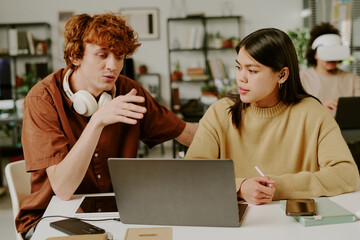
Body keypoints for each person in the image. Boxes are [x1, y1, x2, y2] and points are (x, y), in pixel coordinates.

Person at [16, 12, 197, 238]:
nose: (113, 65)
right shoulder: (42, 99)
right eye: (102, 55)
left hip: (116, 213)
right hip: (52, 217)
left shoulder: (128, 90)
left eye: (119, 57)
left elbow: (184, 132)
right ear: (75, 56)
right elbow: (63, 188)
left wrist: (235, 134)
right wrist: (98, 121)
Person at [185, 28, 359, 205]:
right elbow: (191, 173)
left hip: (296, 224)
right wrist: (239, 187)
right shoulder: (220, 112)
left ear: (281, 75)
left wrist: (277, 187)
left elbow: (347, 175)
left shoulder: (312, 112)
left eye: (252, 71)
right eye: (238, 67)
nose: (241, 78)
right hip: (237, 224)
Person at [300, 22, 360, 116]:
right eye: (327, 52)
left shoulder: (354, 80)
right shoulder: (301, 78)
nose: (332, 58)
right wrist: (320, 110)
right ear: (315, 54)